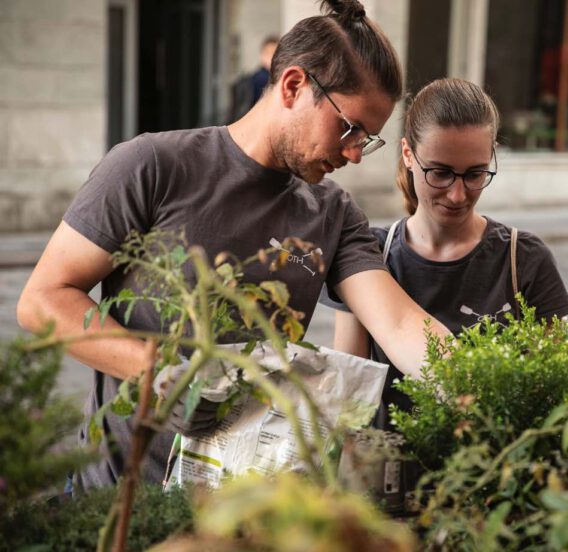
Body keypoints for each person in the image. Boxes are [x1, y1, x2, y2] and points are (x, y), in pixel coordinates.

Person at [16, 0, 450, 491]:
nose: (354, 153)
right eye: (349, 128)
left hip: (240, 511)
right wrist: (158, 376)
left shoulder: (333, 213)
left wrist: (471, 382)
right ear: (293, 86)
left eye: (368, 140)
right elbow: (43, 300)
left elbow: (398, 323)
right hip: (117, 501)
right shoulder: (152, 166)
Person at [323, 78, 568, 429]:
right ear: (408, 155)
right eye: (439, 173)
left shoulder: (524, 259)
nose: (457, 195)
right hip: (388, 475)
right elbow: (346, 397)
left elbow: (553, 396)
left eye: (475, 174)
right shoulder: (367, 257)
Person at [229, 35, 279, 122]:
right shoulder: (258, 80)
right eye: (270, 53)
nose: (273, 57)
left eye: (276, 53)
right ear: (262, 55)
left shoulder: (274, 79)